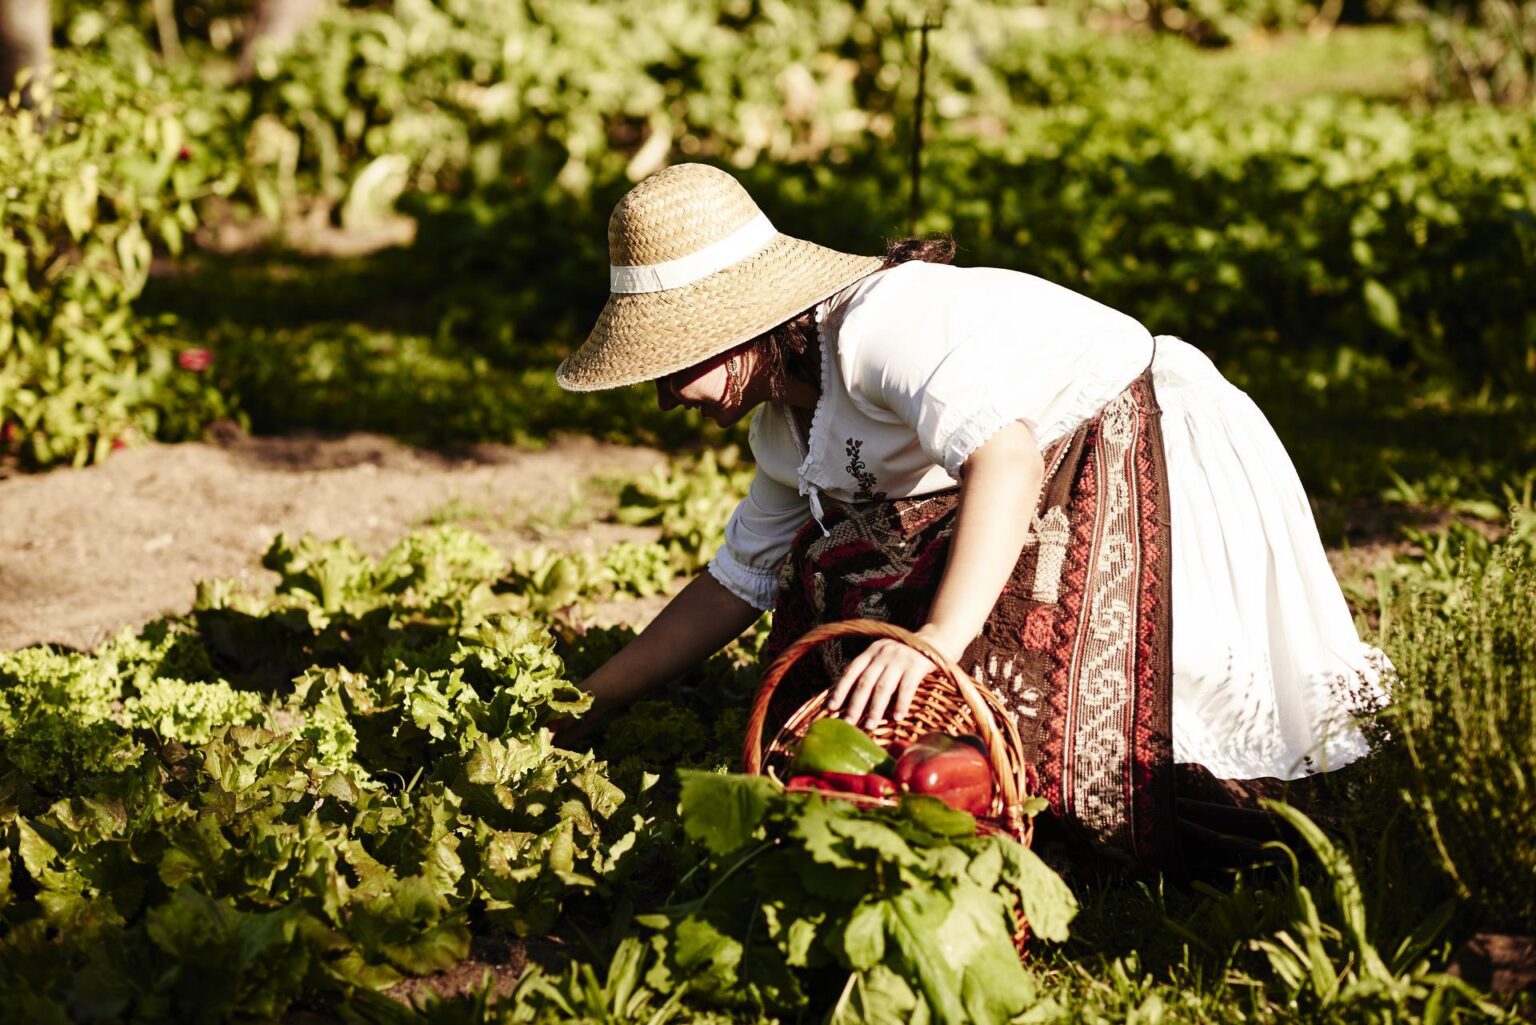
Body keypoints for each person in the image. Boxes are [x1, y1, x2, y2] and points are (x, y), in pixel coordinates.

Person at [556, 163, 1388, 866]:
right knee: (822, 572)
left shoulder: (880, 325)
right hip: (1040, 474)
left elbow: (1009, 458)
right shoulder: (783, 426)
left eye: (674, 366)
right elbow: (736, 583)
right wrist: (584, 703)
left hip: (1138, 438)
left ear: (737, 331)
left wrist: (935, 644)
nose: (668, 398)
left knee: (1072, 743)